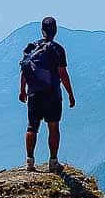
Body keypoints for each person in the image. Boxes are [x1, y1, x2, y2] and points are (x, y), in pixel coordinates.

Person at [19, 16, 76, 172]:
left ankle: (30, 162)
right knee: (53, 127)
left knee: (32, 128)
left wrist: (22, 90)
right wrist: (70, 94)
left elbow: (24, 70)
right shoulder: (57, 49)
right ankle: (53, 161)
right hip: (52, 94)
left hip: (33, 94)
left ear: (42, 30)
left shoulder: (31, 48)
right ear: (55, 30)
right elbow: (62, 74)